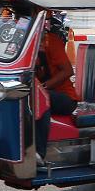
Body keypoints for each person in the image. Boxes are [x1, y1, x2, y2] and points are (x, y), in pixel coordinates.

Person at [34, 13, 78, 164]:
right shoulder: (25, 44)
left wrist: (44, 87)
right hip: (43, 91)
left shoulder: (51, 42)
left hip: (65, 98)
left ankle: (39, 152)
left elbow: (68, 71)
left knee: (38, 98)